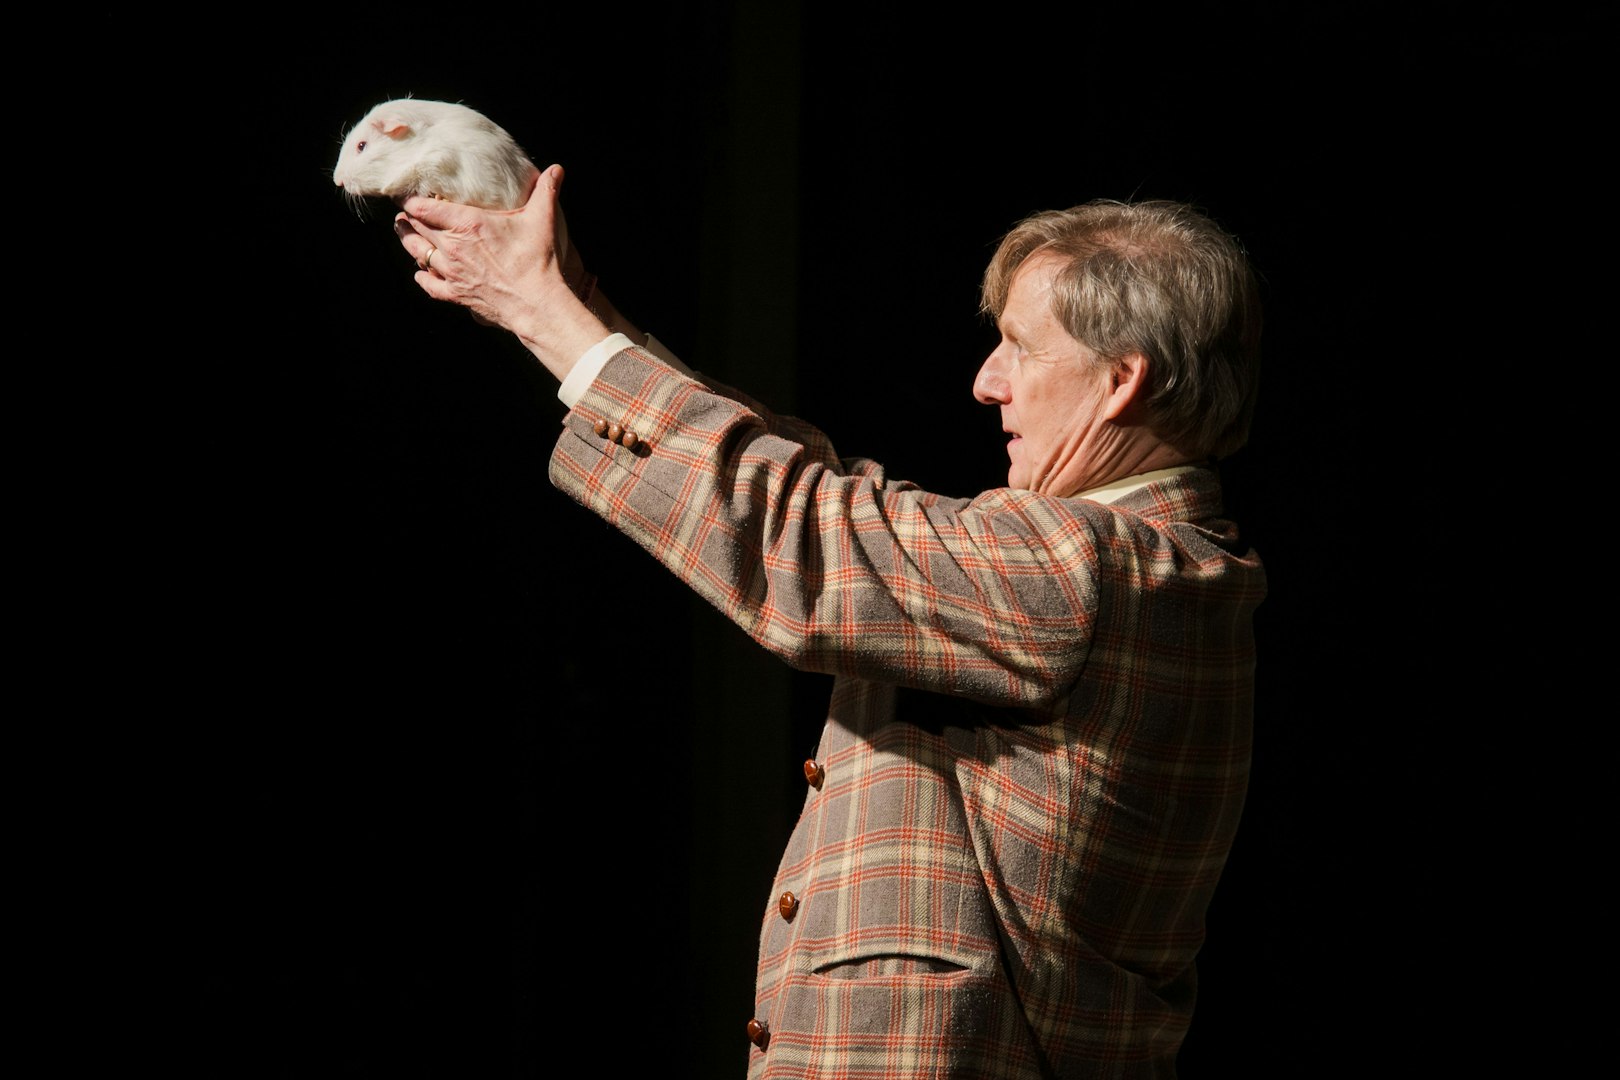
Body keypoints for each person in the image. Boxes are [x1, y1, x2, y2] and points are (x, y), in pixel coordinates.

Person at [391, 163, 1265, 1078]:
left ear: (1120, 382)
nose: (986, 382)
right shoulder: (1132, 565)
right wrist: (579, 309)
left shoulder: (1105, 570)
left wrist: (541, 310)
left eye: (1020, 347)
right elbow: (828, 493)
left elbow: (803, 530)